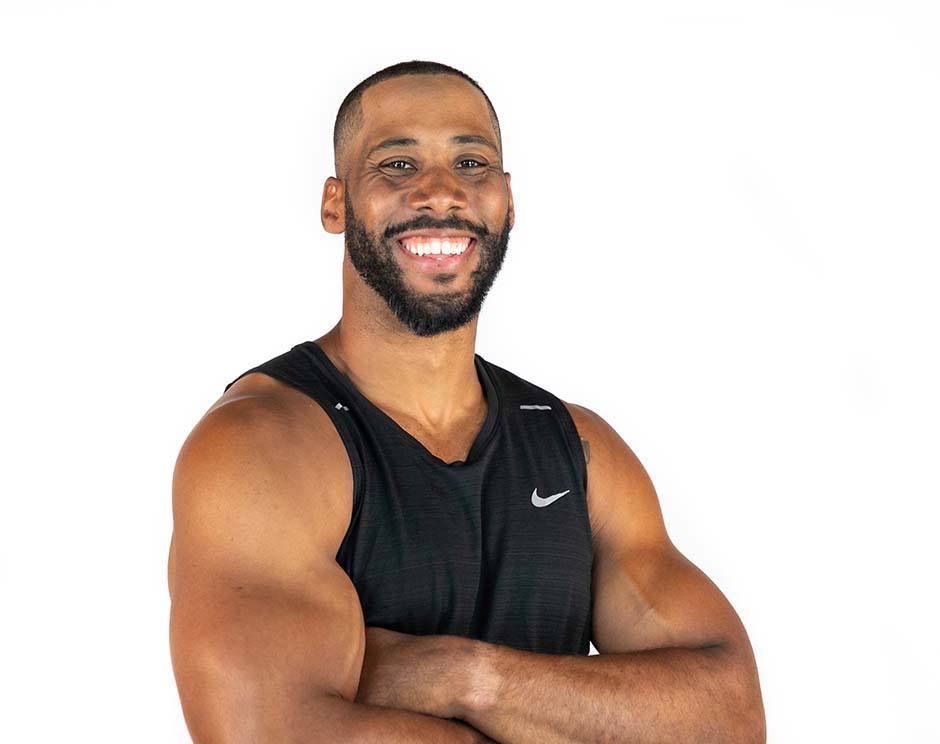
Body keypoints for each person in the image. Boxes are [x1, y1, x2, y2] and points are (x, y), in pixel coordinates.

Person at [167, 60, 766, 743]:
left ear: (506, 201)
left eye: (472, 163)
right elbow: (268, 734)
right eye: (397, 164)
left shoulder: (579, 450)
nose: (441, 191)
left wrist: (463, 676)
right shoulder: (261, 447)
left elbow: (731, 717)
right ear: (336, 204)